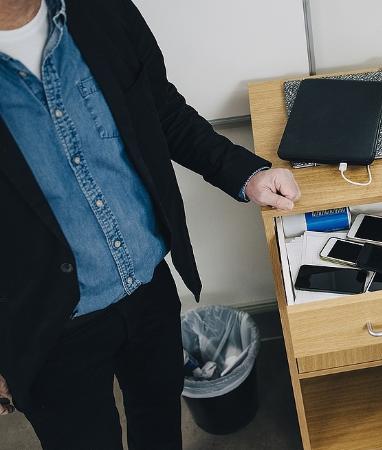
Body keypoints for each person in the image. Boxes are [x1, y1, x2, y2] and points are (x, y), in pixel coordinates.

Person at [0, 0, 300, 448]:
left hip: (148, 284)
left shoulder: (103, 10)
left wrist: (247, 174)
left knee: (159, 424)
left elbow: (162, 111)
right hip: (46, 323)